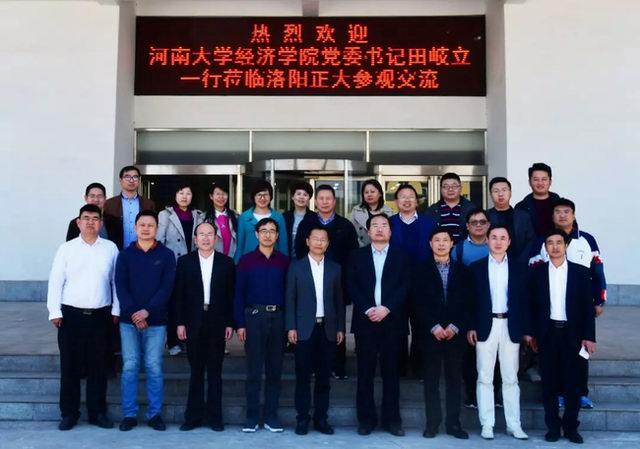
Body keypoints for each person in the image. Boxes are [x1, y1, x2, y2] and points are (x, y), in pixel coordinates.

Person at [47, 204, 120, 431]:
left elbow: (116, 282)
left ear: (101, 223)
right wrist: (55, 311)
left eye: (95, 218)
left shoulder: (110, 248)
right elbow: (56, 281)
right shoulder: (66, 249)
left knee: (98, 366)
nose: (90, 222)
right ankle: (69, 413)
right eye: (86, 218)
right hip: (71, 316)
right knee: (70, 367)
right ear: (78, 222)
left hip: (101, 316)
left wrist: (116, 309)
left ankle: (97, 413)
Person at [529, 197, 606, 408]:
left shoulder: (587, 240)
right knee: (553, 357)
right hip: (552, 310)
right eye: (558, 212)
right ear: (552, 216)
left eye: (566, 212)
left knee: (580, 354)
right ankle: (559, 394)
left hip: (579, 308)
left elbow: (598, 272)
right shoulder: (542, 241)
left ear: (573, 215)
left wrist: (599, 300)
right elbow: (533, 272)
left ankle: (580, 393)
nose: (562, 215)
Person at [525, 229, 596, 444]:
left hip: (572, 334)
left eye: (559, 242)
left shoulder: (580, 273)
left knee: (573, 384)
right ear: (545, 247)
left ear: (566, 246)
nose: (555, 247)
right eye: (550, 243)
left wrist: (589, 336)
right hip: (547, 333)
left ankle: (571, 427)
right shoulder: (537, 273)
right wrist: (531, 334)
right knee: (550, 384)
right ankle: (553, 428)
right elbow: (531, 307)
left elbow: (587, 308)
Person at [348, 214, 411, 437]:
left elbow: (406, 285)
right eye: (375, 225)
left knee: (391, 373)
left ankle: (392, 421)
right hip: (365, 321)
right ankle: (365, 420)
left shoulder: (402, 256)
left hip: (392, 321)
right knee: (364, 373)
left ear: (390, 231)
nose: (380, 229)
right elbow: (352, 285)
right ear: (368, 231)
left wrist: (387, 308)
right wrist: (368, 308)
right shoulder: (357, 255)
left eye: (384, 225)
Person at [115, 210, 176, 432]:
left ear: (157, 228)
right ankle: (129, 414)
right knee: (130, 366)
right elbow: (120, 286)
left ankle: (154, 414)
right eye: (142, 225)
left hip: (156, 321)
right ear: (135, 227)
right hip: (129, 321)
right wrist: (135, 312)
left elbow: (167, 287)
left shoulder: (166, 255)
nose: (146, 228)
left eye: (151, 225)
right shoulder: (125, 255)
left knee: (153, 366)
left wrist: (147, 311)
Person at [467, 225, 528, 440]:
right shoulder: (476, 268)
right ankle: (487, 423)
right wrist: (471, 326)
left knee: (510, 377)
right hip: (486, 326)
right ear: (487, 240)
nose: (498, 242)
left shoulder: (520, 268)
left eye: (503, 238)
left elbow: (525, 302)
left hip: (510, 325)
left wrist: (526, 329)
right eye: (494, 237)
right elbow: (470, 302)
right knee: (484, 376)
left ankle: (514, 424)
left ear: (509, 242)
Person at [173, 221, 235, 431]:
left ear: (216, 238)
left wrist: (229, 322)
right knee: (196, 371)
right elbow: (179, 295)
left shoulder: (226, 263)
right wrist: (179, 322)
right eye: (202, 234)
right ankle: (193, 417)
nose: (206, 238)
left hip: (217, 321)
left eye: (210, 234)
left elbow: (230, 296)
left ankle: (215, 418)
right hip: (193, 321)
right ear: (195, 239)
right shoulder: (185, 262)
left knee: (215, 371)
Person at [411, 227, 470, 440]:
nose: (441, 244)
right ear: (430, 244)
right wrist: (433, 326)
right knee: (431, 381)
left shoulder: (463, 271)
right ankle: (432, 423)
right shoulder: (420, 271)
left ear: (452, 244)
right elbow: (416, 302)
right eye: (437, 240)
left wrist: (455, 326)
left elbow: (469, 303)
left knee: (454, 381)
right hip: (431, 334)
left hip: (455, 334)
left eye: (445, 240)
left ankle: (454, 424)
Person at [285, 226, 345, 435]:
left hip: (327, 329)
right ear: (307, 242)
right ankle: (302, 419)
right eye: (315, 239)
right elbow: (290, 298)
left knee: (323, 378)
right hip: (303, 329)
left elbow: (339, 301)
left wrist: (340, 327)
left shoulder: (335, 268)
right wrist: (291, 326)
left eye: (323, 239)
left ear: (327, 243)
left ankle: (321, 418)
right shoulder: (296, 267)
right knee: (302, 377)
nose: (319, 242)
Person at [295, 184, 358, 380]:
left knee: (336, 325)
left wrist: (348, 285)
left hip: (336, 283)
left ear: (334, 201)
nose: (324, 202)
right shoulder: (306, 224)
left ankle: (337, 368)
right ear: (315, 201)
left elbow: (353, 256)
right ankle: (315, 367)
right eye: (321, 198)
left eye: (328, 198)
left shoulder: (345, 225)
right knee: (313, 326)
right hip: (310, 282)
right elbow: (299, 251)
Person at [234, 218, 289, 433]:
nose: (267, 235)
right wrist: (240, 324)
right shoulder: (246, 261)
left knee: (275, 370)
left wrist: (289, 324)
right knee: (254, 371)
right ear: (256, 234)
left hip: (278, 318)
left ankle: (271, 417)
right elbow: (238, 293)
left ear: (277, 235)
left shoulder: (284, 261)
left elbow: (290, 294)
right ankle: (252, 417)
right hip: (253, 317)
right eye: (263, 231)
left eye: (272, 231)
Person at [451, 208, 498, 409]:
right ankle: (472, 394)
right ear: (467, 226)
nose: (478, 225)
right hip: (469, 308)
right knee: (470, 355)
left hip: (495, 308)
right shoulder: (459, 249)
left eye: (482, 222)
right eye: (474, 222)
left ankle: (495, 395)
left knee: (495, 356)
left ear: (488, 225)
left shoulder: (496, 245)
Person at [389, 183, 437, 378]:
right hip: (395, 283)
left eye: (411, 197)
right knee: (397, 326)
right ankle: (399, 367)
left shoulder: (429, 224)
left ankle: (419, 367)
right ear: (396, 202)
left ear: (417, 201)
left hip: (422, 283)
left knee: (421, 325)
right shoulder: (389, 223)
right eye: (403, 197)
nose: (407, 200)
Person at [158, 183, 205, 356]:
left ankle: (189, 340)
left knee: (190, 303)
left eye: (188, 193)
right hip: (173, 265)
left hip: (192, 265)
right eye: (181, 193)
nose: (184, 196)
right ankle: (173, 342)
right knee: (174, 304)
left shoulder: (198, 215)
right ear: (175, 195)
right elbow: (159, 240)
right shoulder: (165, 215)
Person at [104, 166, 156, 250]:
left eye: (135, 177)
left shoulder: (148, 204)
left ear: (139, 181)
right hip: (116, 250)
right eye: (127, 177)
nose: (131, 180)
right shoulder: (110, 204)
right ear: (120, 180)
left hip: (142, 250)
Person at [235, 181, 288, 262]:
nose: (262, 198)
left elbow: (283, 245)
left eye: (265, 195)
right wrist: (237, 264)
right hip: (249, 263)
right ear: (253, 197)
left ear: (270, 197)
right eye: (259, 195)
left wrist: (285, 264)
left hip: (273, 262)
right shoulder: (244, 217)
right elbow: (240, 245)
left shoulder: (278, 218)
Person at [488, 177, 535, 266]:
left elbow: (530, 241)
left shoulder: (523, 216)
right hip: (492, 263)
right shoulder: (486, 217)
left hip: (520, 264)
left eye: (504, 190)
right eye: (496, 191)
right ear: (490, 194)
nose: (500, 194)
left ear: (510, 193)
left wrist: (522, 260)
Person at [425, 172, 476, 243]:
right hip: (440, 249)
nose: (450, 189)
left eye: (454, 186)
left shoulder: (471, 209)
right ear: (440, 189)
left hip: (464, 249)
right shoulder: (432, 210)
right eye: (446, 186)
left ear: (460, 188)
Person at [515, 162, 560, 237]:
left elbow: (571, 229)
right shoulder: (521, 207)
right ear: (529, 182)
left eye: (544, 179)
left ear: (550, 181)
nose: (540, 183)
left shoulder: (560, 204)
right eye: (536, 180)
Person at [350, 179, 395, 247]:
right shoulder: (356, 211)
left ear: (380, 194)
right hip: (360, 248)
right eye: (366, 192)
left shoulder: (389, 212)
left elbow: (392, 234)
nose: (369, 194)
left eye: (372, 192)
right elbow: (351, 232)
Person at [205, 183, 239, 259]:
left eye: (224, 194)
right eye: (218, 194)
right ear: (211, 196)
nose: (221, 197)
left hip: (232, 260)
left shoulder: (235, 216)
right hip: (211, 260)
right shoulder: (203, 218)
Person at [283, 181, 313, 259]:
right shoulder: (284, 217)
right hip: (286, 260)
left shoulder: (315, 218)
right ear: (293, 197)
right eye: (298, 194)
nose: (301, 197)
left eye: (305, 195)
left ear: (309, 198)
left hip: (306, 261)